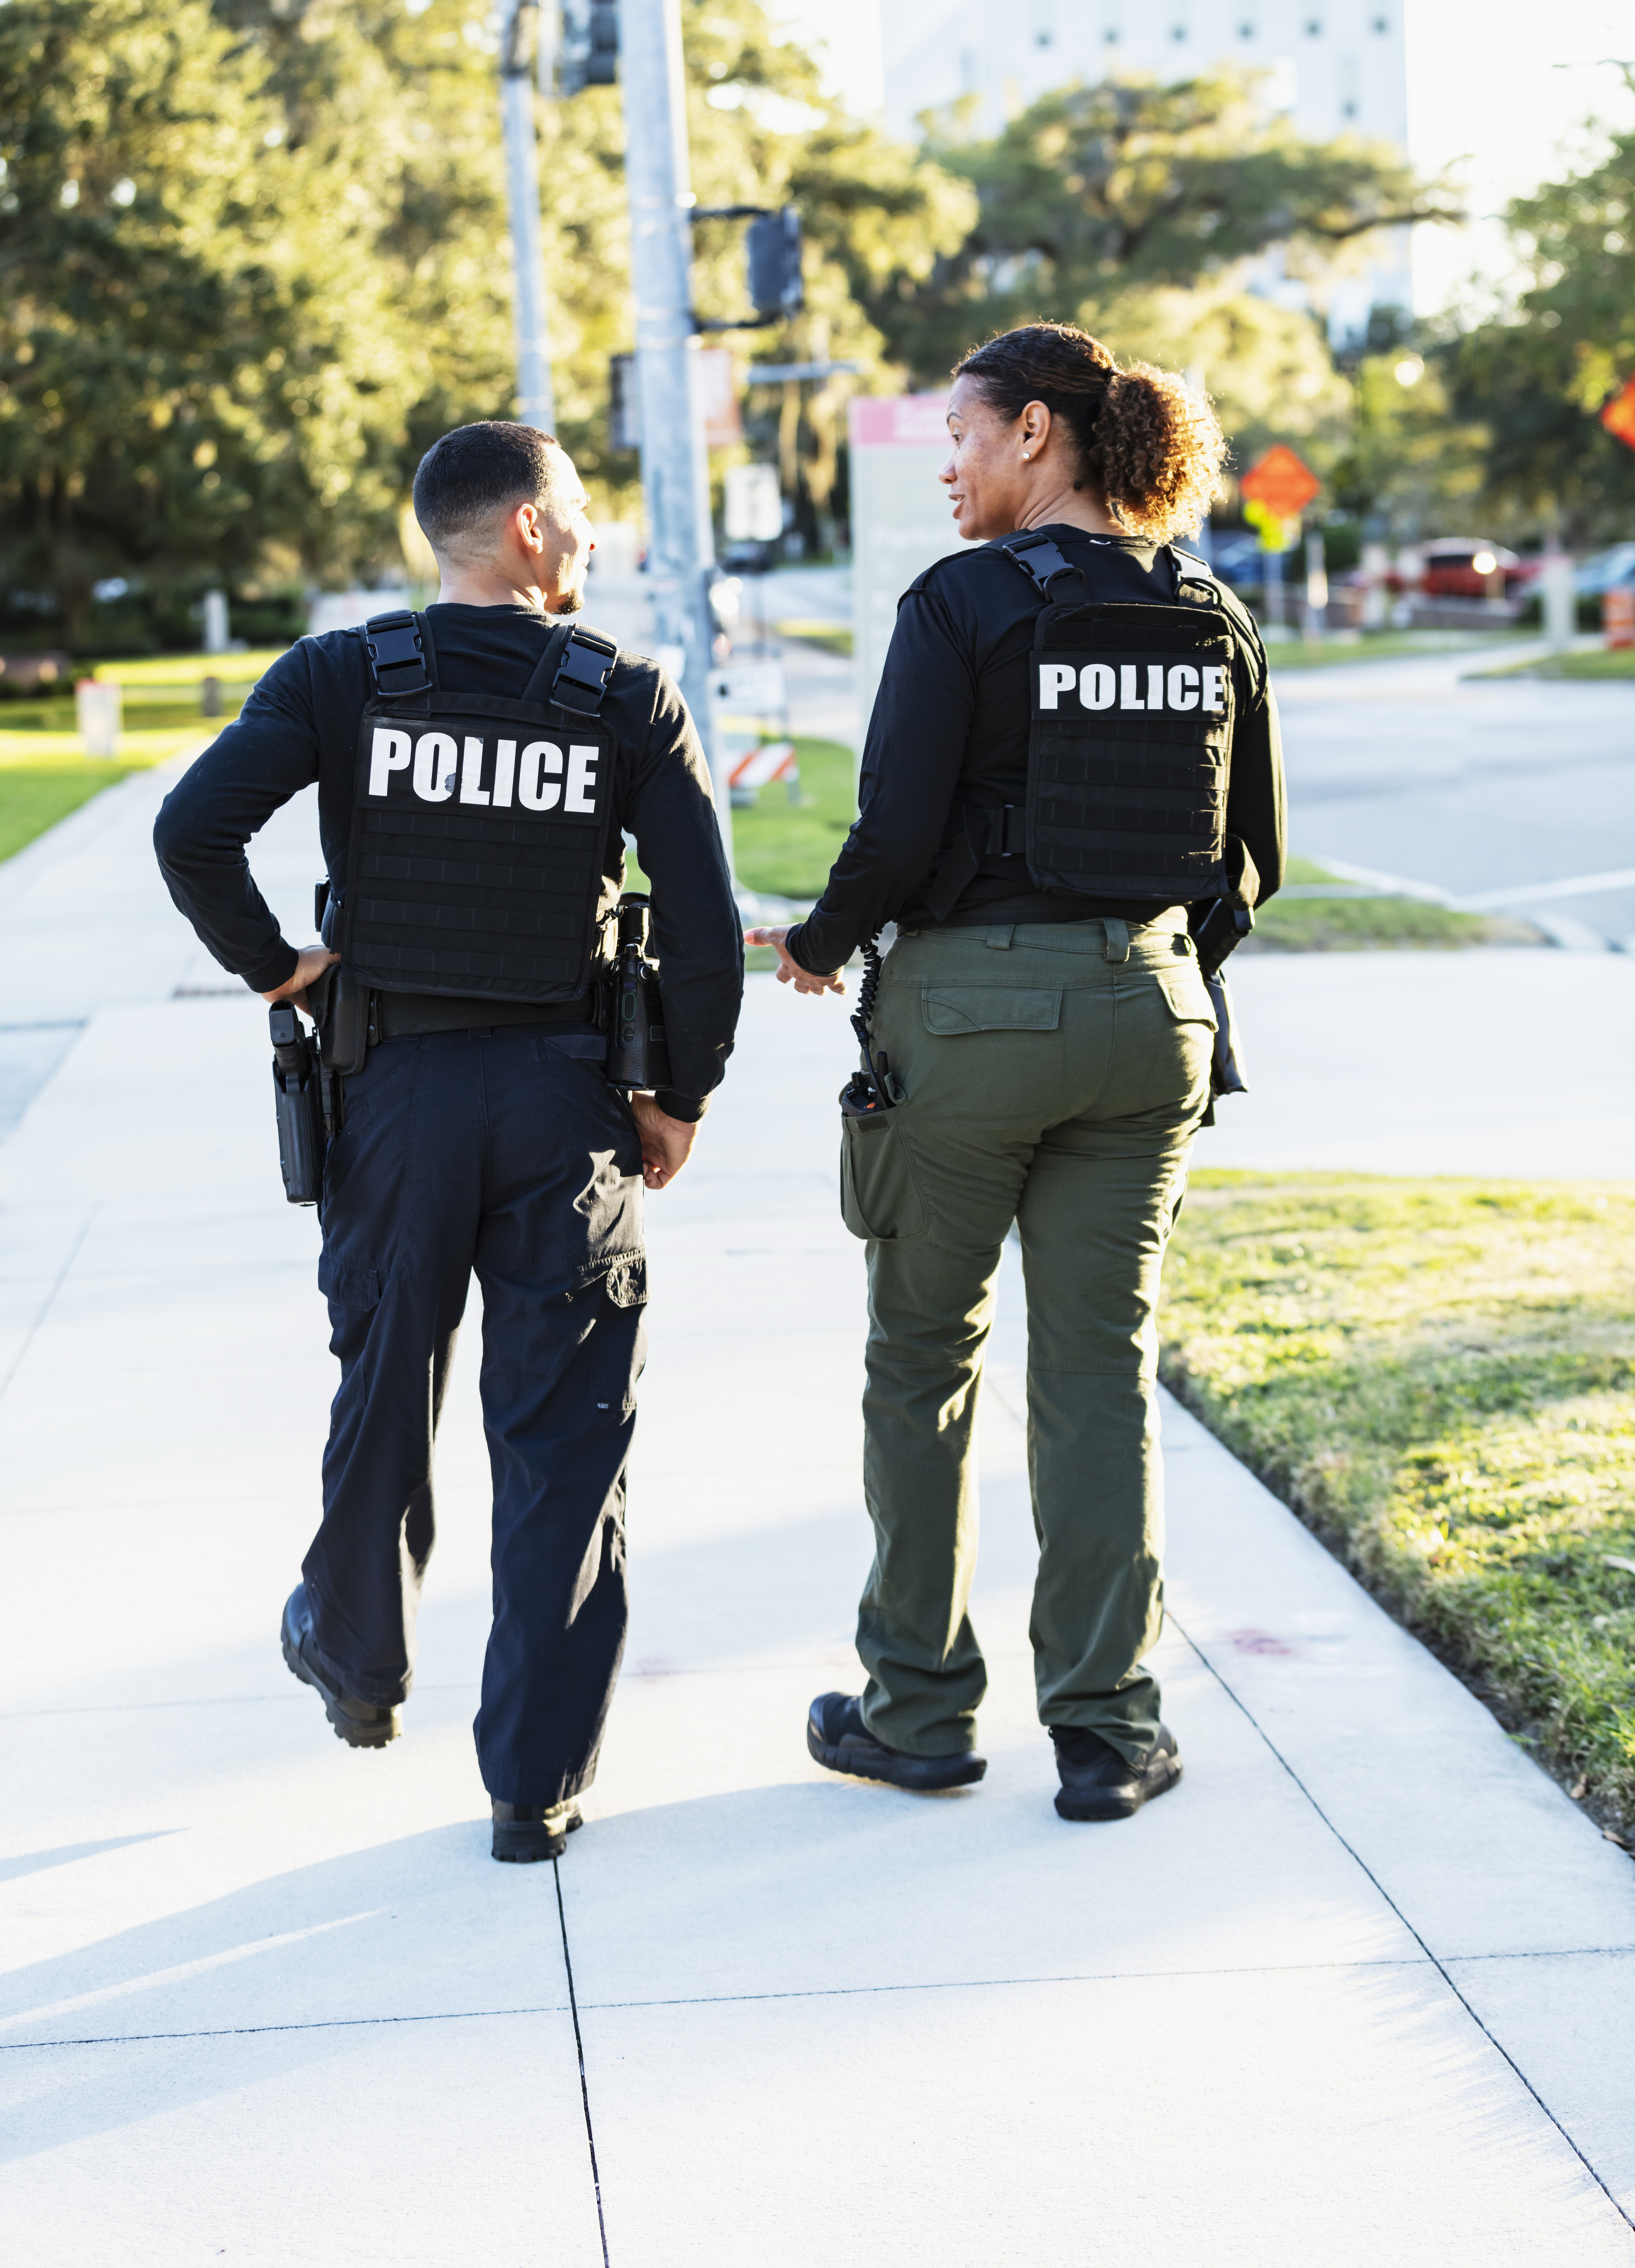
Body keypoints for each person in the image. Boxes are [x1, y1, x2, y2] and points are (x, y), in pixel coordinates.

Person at [155, 421, 742, 1862]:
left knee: (385, 1388)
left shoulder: (343, 679)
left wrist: (278, 963)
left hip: (395, 1100)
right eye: (584, 513)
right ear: (529, 531)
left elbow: (192, 830)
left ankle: (358, 1659)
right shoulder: (626, 696)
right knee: (565, 1440)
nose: (596, 534)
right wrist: (682, 1092)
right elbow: (710, 922)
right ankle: (532, 1785)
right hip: (565, 1108)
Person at [747, 323, 1284, 1823]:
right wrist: (1143, 973)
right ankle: (1111, 1728)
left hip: (973, 1022)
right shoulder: (1213, 608)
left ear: (1038, 434)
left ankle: (917, 1711)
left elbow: (899, 827)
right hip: (1158, 1010)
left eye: (967, 437)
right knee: (1101, 1368)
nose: (952, 466)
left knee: (925, 1361)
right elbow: (1254, 861)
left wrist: (820, 943)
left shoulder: (964, 605)